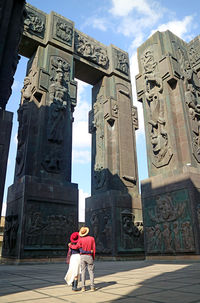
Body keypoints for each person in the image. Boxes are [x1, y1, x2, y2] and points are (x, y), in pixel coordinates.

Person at [69, 226, 96, 292]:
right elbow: (94, 249)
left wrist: (70, 246)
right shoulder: (92, 238)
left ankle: (83, 288)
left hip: (82, 257)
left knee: (83, 272)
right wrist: (93, 257)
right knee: (91, 272)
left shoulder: (80, 240)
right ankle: (92, 287)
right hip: (89, 256)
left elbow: (76, 247)